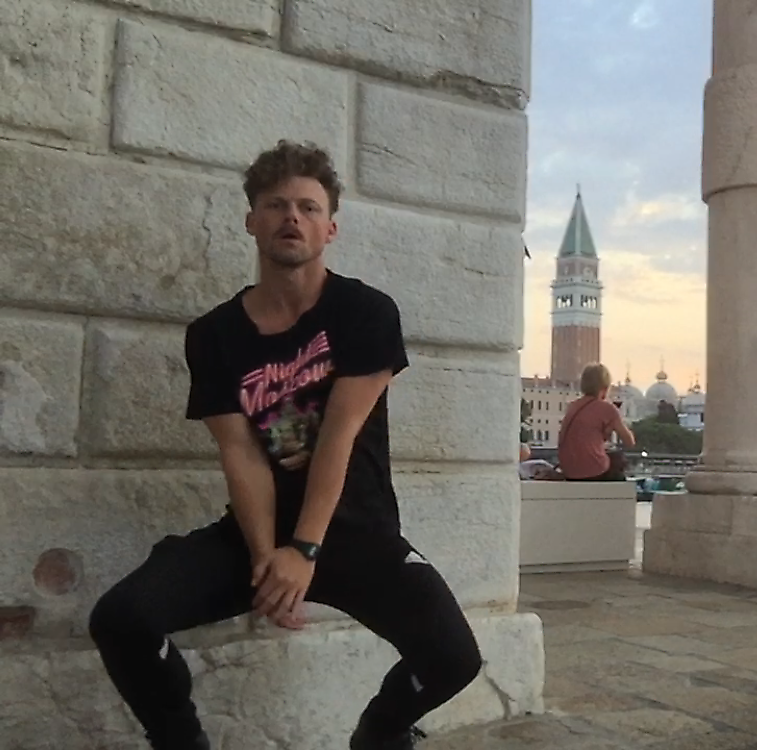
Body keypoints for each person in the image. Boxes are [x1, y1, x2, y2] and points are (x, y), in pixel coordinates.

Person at [87, 141, 481, 750]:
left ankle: (380, 733)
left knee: (454, 658)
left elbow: (339, 436)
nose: (291, 217)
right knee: (121, 619)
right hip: (259, 535)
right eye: (275, 205)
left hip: (356, 534)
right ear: (252, 221)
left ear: (330, 228)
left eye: (308, 207)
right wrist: (268, 559)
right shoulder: (214, 335)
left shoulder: (366, 313)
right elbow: (240, 453)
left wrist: (305, 550)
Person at [556, 363, 636, 481]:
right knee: (618, 460)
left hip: (569, 471)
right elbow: (630, 442)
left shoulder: (572, 406)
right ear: (605, 387)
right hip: (594, 470)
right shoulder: (607, 408)